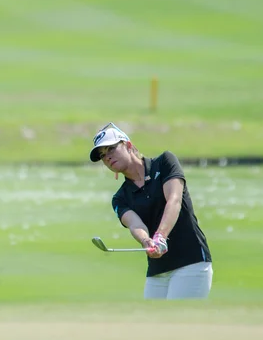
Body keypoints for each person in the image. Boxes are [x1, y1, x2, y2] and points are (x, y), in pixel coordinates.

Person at [89, 122, 213, 300]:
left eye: (111, 149)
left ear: (128, 145)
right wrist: (146, 240)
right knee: (151, 325)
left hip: (191, 262)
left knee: (176, 323)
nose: (107, 157)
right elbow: (135, 223)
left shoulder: (165, 163)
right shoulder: (120, 198)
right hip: (157, 271)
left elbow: (174, 200)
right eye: (102, 155)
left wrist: (160, 236)